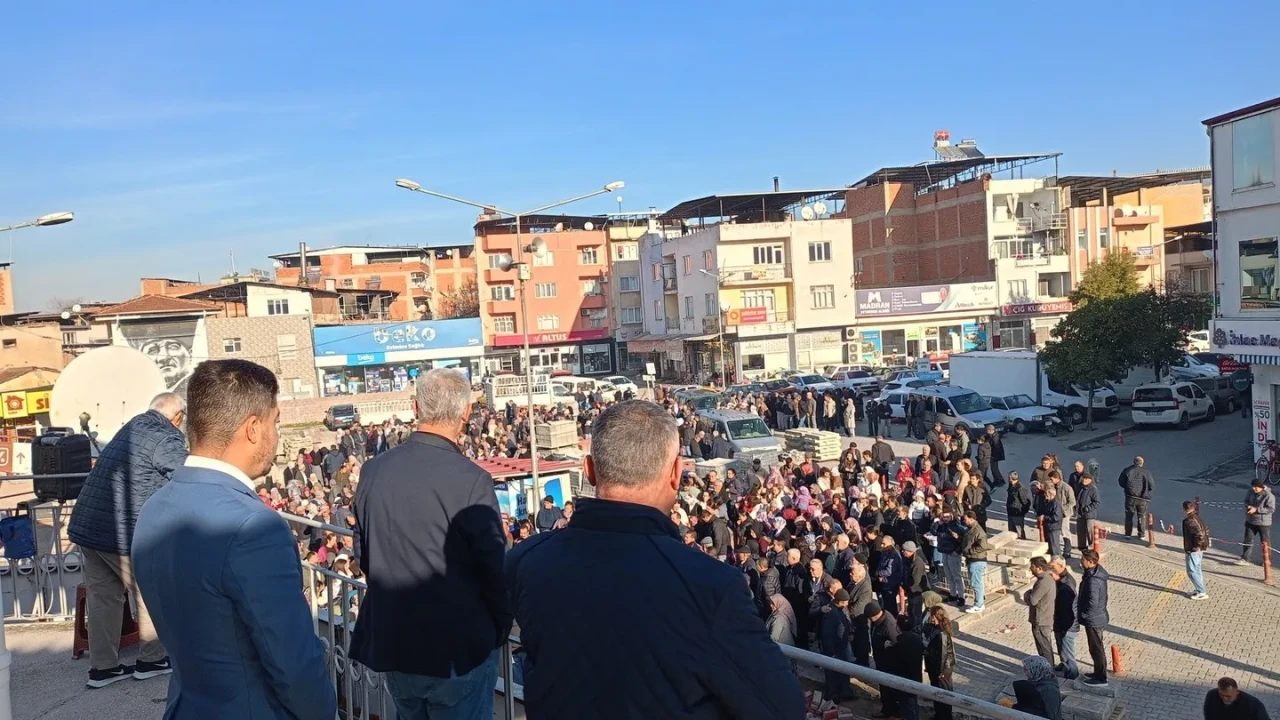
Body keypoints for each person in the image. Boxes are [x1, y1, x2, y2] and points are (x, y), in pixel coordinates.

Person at [505, 401, 804, 719]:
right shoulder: (711, 587)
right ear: (676, 473)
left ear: (589, 470)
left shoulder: (526, 561)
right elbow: (782, 708)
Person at [132, 360, 336, 719]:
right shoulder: (255, 527)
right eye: (275, 422)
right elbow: (293, 662)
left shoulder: (154, 508)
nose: (276, 435)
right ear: (253, 429)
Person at [351, 368, 511, 719]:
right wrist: (500, 627)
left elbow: (364, 556)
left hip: (396, 641)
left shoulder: (373, 470)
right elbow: (494, 571)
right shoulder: (472, 480)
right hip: (458, 651)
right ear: (466, 413)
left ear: (415, 407)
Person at [67, 393, 187, 688]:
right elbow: (189, 476)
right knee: (151, 593)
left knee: (103, 599)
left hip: (88, 527)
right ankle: (152, 660)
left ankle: (103, 668)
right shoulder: (165, 437)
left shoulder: (133, 426)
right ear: (178, 417)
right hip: (119, 534)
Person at [1077, 549, 1110, 687]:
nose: (1081, 561)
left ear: (1090, 562)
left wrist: (1084, 614)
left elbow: (1093, 602)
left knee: (1097, 649)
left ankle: (1101, 678)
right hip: (1095, 617)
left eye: (1083, 560)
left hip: (1094, 619)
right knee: (1095, 647)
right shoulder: (1093, 574)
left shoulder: (1093, 581)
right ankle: (1097, 672)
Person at [866, 601, 901, 718]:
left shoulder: (888, 625)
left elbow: (897, 643)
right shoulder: (878, 621)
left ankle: (894, 713)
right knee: (884, 688)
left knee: (890, 689)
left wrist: (888, 647)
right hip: (880, 660)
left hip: (889, 663)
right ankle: (886, 710)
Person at [817, 589, 853, 701]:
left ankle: (844, 692)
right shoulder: (831, 613)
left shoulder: (839, 610)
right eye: (846, 602)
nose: (847, 604)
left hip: (841, 646)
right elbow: (827, 635)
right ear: (840, 601)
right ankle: (832, 695)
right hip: (834, 649)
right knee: (832, 672)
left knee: (842, 670)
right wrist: (831, 652)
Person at [923, 606, 956, 720]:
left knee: (943, 696)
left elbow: (943, 655)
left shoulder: (941, 633)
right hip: (937, 668)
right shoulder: (938, 629)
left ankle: (944, 717)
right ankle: (939, 715)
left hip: (941, 670)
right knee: (938, 695)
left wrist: (940, 672)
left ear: (934, 617)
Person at [1049, 556, 1079, 680]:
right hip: (1059, 622)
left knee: (1068, 652)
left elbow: (1067, 609)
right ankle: (1063, 665)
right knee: (1061, 647)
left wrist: (1065, 627)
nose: (1051, 569)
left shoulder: (1067, 583)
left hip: (1067, 625)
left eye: (1053, 566)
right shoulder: (1060, 580)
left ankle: (1072, 675)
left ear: (1061, 566)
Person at [1026, 557, 1057, 666]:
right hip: (1045, 617)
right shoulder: (1047, 578)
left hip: (1041, 620)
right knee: (1045, 646)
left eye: (1032, 567)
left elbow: (1032, 600)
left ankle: (1048, 669)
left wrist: (1027, 594)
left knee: (1044, 647)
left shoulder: (1043, 582)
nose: (1030, 569)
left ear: (1039, 568)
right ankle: (1048, 667)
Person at [1012, 655, 1063, 719]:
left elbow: (1050, 715)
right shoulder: (1035, 679)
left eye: (1026, 669)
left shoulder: (1049, 691)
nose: (1024, 671)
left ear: (1035, 670)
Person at [1238, 478, 1275, 566]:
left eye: (1256, 487)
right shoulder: (1250, 492)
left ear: (1261, 487)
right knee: (1247, 539)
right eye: (1253, 487)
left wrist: (1256, 510)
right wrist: (1248, 506)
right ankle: (1245, 558)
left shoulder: (1269, 495)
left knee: (1265, 542)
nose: (1254, 489)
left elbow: (1271, 509)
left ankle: (1267, 560)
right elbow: (1246, 501)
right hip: (1250, 521)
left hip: (1263, 523)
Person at [959, 511, 991, 613]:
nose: (964, 521)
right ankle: (979, 602)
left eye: (965, 519)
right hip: (972, 559)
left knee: (976, 583)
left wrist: (970, 551)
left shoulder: (978, 531)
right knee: (976, 582)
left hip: (977, 560)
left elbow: (983, 546)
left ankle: (979, 605)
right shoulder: (970, 529)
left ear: (971, 519)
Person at [1118, 456, 1155, 540]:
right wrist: (1146, 490)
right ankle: (1141, 534)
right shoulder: (1146, 473)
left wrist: (1127, 488)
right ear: (1142, 463)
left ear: (1134, 462)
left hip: (1130, 497)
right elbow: (1151, 486)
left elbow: (1121, 482)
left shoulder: (1127, 470)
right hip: (1142, 498)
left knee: (1129, 515)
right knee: (1141, 516)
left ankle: (1128, 534)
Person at [1203, 677, 1271, 720]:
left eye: (1228, 696)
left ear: (1237, 692)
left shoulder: (1253, 705)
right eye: (1221, 695)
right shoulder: (1212, 695)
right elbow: (1208, 715)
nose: (1224, 698)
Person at [1182, 501, 1211, 600]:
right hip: (1200, 548)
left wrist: (1195, 547)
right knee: (1197, 569)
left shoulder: (1189, 521)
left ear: (1184, 509)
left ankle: (1201, 592)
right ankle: (1199, 589)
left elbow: (1199, 535)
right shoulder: (1197, 517)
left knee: (1191, 571)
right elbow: (1206, 529)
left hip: (1194, 549)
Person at [1075, 473, 1100, 553]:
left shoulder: (1093, 489)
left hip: (1089, 515)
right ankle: (1082, 547)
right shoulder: (1080, 488)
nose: (1084, 480)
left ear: (1090, 480)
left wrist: (1087, 508)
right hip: (1080, 514)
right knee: (1080, 531)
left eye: (1086, 479)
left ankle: (1091, 547)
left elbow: (1096, 502)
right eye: (1083, 478)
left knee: (1090, 532)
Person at [1005, 471, 1031, 539]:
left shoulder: (1020, 488)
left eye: (1008, 477)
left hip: (1017, 514)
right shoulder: (1011, 485)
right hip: (1010, 512)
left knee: (1019, 533)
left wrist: (1022, 512)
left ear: (1011, 478)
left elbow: (1025, 502)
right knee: (1011, 533)